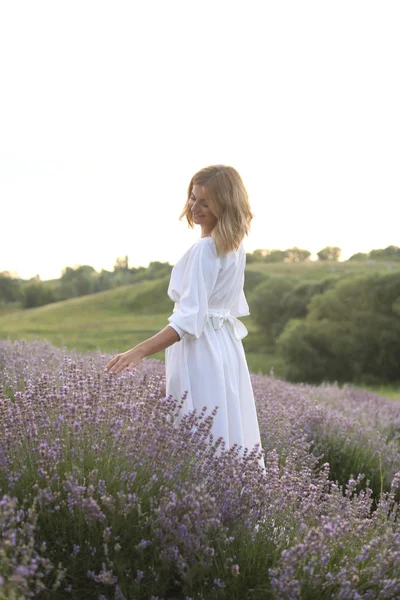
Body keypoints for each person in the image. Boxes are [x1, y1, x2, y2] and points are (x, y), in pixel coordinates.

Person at [105, 165, 265, 469]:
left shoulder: (206, 249)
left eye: (205, 202)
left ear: (225, 204)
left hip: (200, 351)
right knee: (223, 427)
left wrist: (138, 351)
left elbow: (188, 321)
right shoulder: (234, 247)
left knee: (198, 432)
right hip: (225, 348)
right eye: (193, 198)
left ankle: (202, 504)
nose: (195, 207)